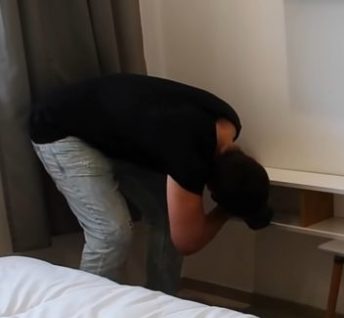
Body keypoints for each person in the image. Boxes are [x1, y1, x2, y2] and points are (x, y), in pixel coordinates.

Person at [29, 73, 272, 294]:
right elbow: (187, 241)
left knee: (169, 216)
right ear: (212, 188)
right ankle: (86, 313)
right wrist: (224, 212)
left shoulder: (229, 123)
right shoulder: (189, 154)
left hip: (110, 132)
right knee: (111, 234)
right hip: (60, 129)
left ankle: (161, 303)